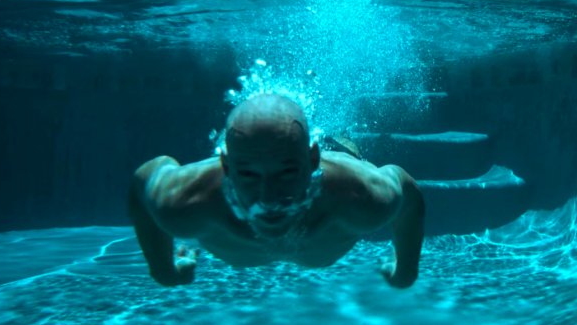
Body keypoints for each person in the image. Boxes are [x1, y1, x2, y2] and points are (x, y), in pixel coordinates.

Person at [127, 93, 425, 288]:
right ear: (227, 168)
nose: (268, 197)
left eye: (286, 172)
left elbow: (408, 194)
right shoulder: (184, 201)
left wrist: (406, 271)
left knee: (345, 148)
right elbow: (144, 178)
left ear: (312, 161)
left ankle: (333, 142)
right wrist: (162, 269)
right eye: (248, 175)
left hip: (335, 160)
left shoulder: (360, 196)